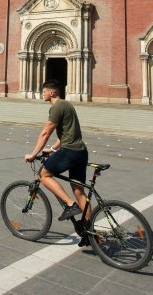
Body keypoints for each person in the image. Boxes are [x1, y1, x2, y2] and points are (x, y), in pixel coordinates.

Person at [24, 79, 90, 224]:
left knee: (43, 174)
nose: (43, 94)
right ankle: (89, 230)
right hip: (81, 151)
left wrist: (33, 154)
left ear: (52, 92)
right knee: (79, 191)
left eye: (44, 91)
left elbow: (45, 133)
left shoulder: (56, 107)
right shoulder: (67, 105)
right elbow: (67, 133)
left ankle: (70, 204)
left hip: (70, 151)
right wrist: (53, 149)